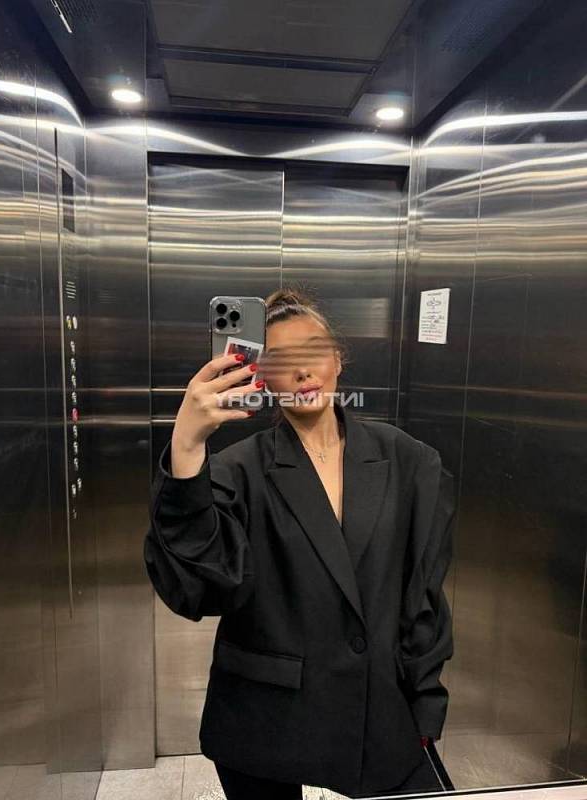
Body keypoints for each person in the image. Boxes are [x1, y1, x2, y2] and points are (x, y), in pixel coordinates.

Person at [143, 287, 456, 799]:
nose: (303, 371)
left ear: (338, 359)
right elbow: (197, 590)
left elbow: (423, 596)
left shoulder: (410, 462)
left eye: (314, 351)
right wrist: (186, 446)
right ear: (262, 377)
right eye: (282, 360)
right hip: (264, 713)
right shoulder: (235, 471)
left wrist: (425, 701)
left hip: (378, 708)